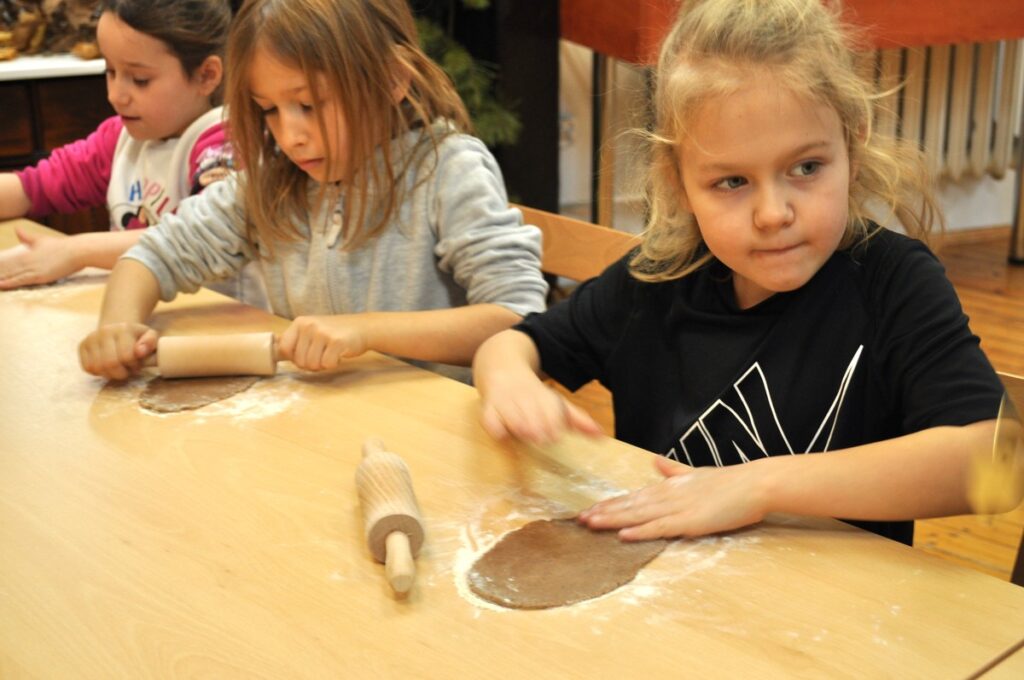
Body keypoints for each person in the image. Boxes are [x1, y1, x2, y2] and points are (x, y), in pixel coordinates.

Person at [472, 0, 1007, 546]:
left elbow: (993, 463)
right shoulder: (657, 278)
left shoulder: (894, 284)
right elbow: (513, 346)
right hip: (670, 601)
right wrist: (510, 376)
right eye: (732, 182)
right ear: (678, 182)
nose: (773, 214)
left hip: (833, 616)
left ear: (854, 140)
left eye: (806, 168)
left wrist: (759, 486)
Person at [78, 0, 547, 383]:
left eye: (307, 104)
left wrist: (364, 332)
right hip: (319, 430)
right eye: (270, 110)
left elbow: (517, 317)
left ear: (391, 80)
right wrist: (118, 329)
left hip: (436, 433)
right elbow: (151, 256)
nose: (290, 135)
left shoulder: (447, 171)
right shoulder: (275, 183)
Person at [0, 0, 261, 305]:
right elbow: (36, 186)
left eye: (140, 80)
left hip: (224, 330)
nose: (115, 95)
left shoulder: (225, 144)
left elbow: (196, 238)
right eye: (111, 71)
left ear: (206, 75)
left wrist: (75, 252)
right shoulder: (123, 139)